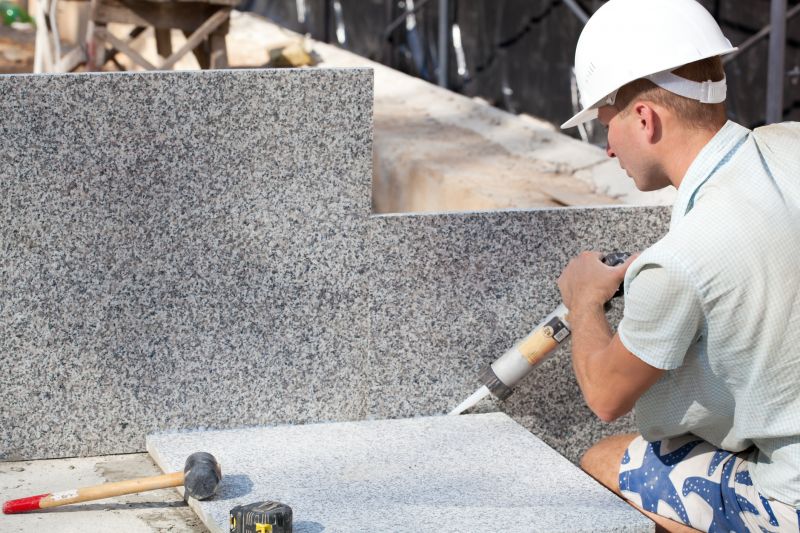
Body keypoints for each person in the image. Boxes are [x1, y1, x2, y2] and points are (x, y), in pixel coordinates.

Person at [556, 0, 800, 531]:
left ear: (644, 119)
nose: (607, 149)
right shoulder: (792, 142)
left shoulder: (678, 263)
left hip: (796, 500)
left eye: (605, 125)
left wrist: (583, 300)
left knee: (603, 463)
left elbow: (605, 394)